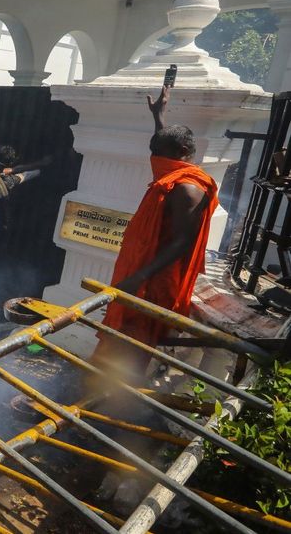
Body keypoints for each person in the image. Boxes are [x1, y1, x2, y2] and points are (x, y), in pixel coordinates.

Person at [92, 86, 218, 378]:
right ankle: (99, 382)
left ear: (181, 154)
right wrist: (158, 117)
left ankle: (119, 396)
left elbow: (182, 243)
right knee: (121, 331)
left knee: (137, 339)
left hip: (156, 282)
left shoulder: (189, 190)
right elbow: (164, 151)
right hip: (142, 272)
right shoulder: (171, 173)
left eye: (159, 156)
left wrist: (139, 276)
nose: (154, 162)